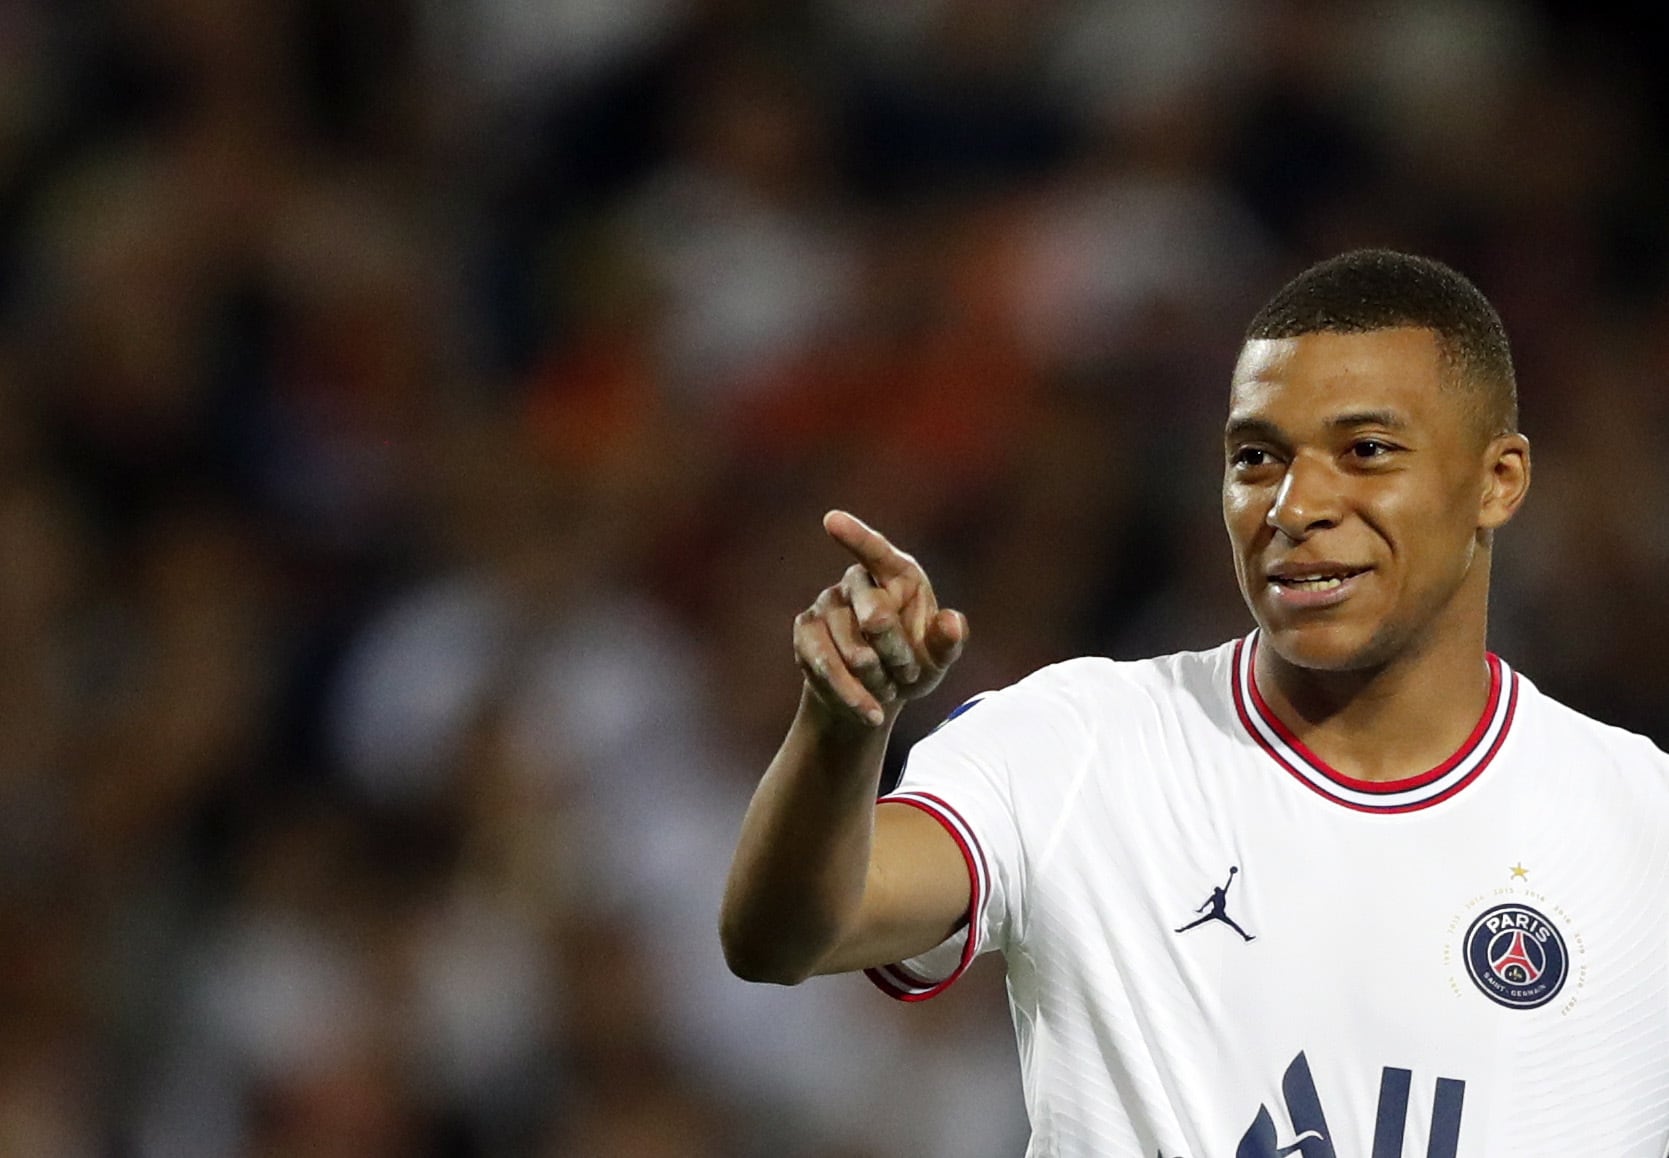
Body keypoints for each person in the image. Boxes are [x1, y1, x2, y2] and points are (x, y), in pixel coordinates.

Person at [719, 250, 1669, 1157]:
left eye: (1367, 450)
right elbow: (787, 935)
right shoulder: (1078, 743)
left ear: (1496, 481)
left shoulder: (1640, 822)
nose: (1294, 506)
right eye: (1256, 458)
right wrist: (842, 726)